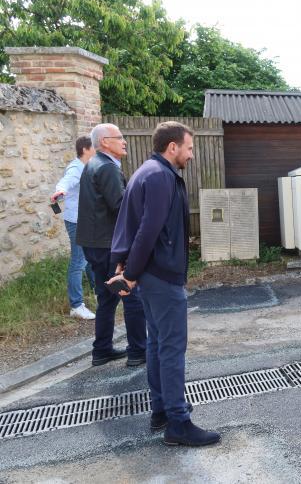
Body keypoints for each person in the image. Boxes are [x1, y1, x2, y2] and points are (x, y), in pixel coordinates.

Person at [107, 121, 220, 446]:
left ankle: (161, 411)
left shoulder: (147, 172)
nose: (192, 154)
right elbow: (147, 230)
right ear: (173, 147)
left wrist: (126, 265)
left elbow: (128, 224)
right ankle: (178, 423)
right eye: (189, 148)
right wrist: (129, 273)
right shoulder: (159, 177)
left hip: (149, 275)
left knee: (157, 344)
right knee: (171, 348)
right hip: (160, 276)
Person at [76, 123, 146, 368]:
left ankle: (102, 350)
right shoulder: (106, 167)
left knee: (107, 298)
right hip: (107, 245)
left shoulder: (94, 164)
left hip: (94, 244)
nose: (124, 141)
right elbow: (121, 208)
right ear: (105, 142)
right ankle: (138, 351)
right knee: (130, 294)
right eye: (119, 137)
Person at [50, 136, 96, 320]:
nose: (97, 148)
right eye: (94, 146)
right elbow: (65, 182)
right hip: (76, 222)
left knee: (91, 258)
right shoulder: (76, 168)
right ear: (85, 149)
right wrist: (60, 191)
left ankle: (98, 292)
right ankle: (76, 305)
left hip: (86, 220)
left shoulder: (87, 166)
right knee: (79, 261)